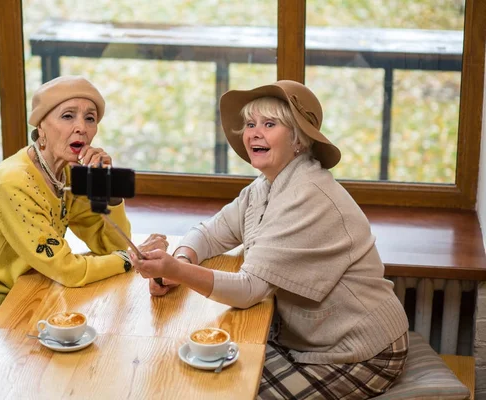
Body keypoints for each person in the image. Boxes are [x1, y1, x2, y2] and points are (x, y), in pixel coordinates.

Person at [132, 80, 409, 399]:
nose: (253, 132)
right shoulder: (264, 187)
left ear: (299, 140)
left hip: (363, 352)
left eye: (269, 124)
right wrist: (179, 263)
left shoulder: (309, 196)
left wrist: (180, 273)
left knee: (223, 389)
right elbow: (208, 233)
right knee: (198, 373)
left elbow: (249, 290)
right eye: (250, 124)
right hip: (306, 340)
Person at [0, 76, 168, 370]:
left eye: (90, 118)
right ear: (41, 128)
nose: (81, 128)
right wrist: (128, 259)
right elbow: (68, 270)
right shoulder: (14, 180)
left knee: (99, 366)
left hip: (30, 309)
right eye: (67, 116)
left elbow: (109, 242)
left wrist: (107, 190)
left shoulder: (67, 174)